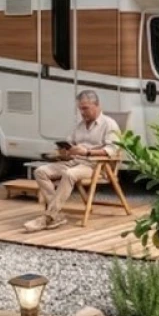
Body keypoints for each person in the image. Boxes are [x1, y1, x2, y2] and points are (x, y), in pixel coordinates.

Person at [23, 90, 121, 232]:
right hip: (73, 162)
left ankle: (49, 216)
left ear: (97, 105)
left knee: (69, 174)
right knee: (40, 171)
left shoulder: (109, 124)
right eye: (80, 109)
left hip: (95, 165)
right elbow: (70, 142)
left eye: (85, 108)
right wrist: (65, 151)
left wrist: (87, 152)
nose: (82, 112)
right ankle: (56, 214)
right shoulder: (81, 125)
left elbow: (112, 150)